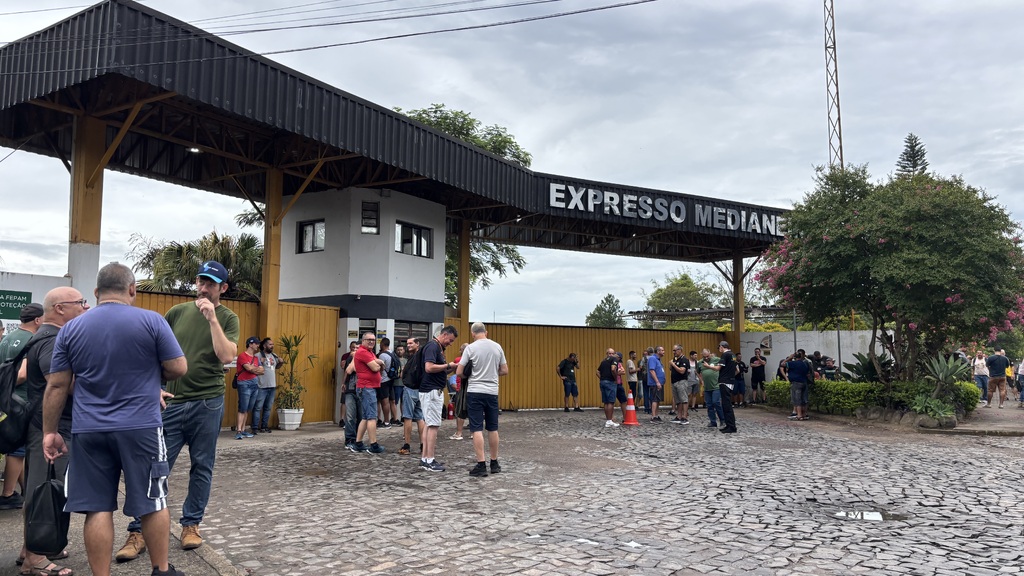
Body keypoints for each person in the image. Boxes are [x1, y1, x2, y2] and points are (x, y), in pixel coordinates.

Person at [42, 263, 188, 576]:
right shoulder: (152, 321)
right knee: (153, 500)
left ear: (95, 293)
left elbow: (56, 385)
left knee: (96, 507)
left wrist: (50, 432)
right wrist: (151, 377)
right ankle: (161, 570)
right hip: (141, 427)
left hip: (89, 429)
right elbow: (178, 367)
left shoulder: (70, 329)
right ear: (132, 289)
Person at [118, 260, 239, 560]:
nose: (203, 287)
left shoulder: (227, 317)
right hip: (171, 402)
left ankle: (191, 525)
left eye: (210, 283)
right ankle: (137, 530)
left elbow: (226, 355)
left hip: (207, 402)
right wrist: (154, 386)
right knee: (156, 466)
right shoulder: (176, 312)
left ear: (222, 288)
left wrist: (212, 320)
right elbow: (154, 354)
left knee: (202, 466)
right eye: (200, 281)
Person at [17, 288, 87, 575]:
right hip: (52, 427)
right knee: (46, 489)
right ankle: (35, 558)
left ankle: (31, 547)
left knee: (38, 486)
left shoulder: (43, 336)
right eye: (80, 303)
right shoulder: (54, 339)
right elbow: (58, 383)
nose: (84, 308)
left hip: (43, 424)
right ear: (60, 308)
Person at [0, 302, 44, 511]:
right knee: (17, 450)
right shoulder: (32, 340)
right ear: (37, 320)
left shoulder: (7, 338)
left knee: (16, 446)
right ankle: (7, 494)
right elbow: (24, 374)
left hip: (6, 400)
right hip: (23, 401)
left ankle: (25, 489)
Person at [457, 323, 508, 477]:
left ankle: (481, 464)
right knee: (493, 428)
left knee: (476, 428)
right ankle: (494, 463)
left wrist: (472, 375)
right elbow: (504, 370)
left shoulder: (470, 348)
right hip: (492, 392)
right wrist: (491, 373)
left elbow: (459, 372)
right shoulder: (497, 347)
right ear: (486, 332)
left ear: (473, 333)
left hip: (475, 391)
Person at [419, 325, 459, 472]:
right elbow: (429, 367)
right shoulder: (433, 346)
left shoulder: (436, 347)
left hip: (430, 391)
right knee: (433, 425)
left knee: (429, 424)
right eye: (450, 340)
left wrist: (450, 368)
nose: (451, 343)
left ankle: (425, 459)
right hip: (431, 391)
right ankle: (429, 459)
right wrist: (448, 365)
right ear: (444, 334)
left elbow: (437, 369)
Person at [354, 332, 386, 453]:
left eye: (373, 340)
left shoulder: (369, 352)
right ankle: (374, 445)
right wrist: (379, 363)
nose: (372, 342)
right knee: (372, 417)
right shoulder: (363, 352)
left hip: (368, 387)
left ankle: (358, 443)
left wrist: (378, 362)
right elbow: (375, 368)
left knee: (366, 417)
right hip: (366, 388)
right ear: (363, 341)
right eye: (369, 340)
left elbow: (378, 364)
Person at [398, 337, 424, 456]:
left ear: (417, 344)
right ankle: (423, 445)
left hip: (411, 389)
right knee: (419, 418)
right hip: (420, 390)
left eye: (411, 343)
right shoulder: (420, 356)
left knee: (408, 417)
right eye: (407, 343)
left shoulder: (416, 357)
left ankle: (407, 445)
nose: (408, 345)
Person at [252, 338, 283, 434]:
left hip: (272, 386)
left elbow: (276, 367)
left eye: (272, 344)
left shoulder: (274, 355)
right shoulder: (257, 355)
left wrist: (281, 362)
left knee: (268, 408)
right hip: (261, 386)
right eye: (270, 344)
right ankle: (255, 427)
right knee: (257, 407)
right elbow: (252, 369)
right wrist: (260, 362)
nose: (272, 346)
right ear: (264, 345)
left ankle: (264, 426)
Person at [234, 336, 263, 439]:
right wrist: (256, 369)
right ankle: (238, 431)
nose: (258, 345)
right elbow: (249, 368)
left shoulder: (256, 358)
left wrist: (254, 369)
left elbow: (262, 371)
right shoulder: (242, 356)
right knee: (242, 407)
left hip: (254, 383)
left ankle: (243, 429)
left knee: (248, 408)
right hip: (244, 383)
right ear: (250, 344)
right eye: (256, 343)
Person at [596, 348, 625, 428]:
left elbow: (597, 371)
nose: (612, 355)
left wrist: (602, 378)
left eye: (612, 353)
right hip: (610, 382)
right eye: (610, 353)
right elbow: (613, 369)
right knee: (611, 402)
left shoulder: (603, 361)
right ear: (607, 353)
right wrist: (615, 379)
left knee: (606, 402)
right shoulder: (614, 359)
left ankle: (608, 420)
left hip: (603, 382)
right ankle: (609, 421)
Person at [341, 348, 363, 452]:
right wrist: (343, 383)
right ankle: (349, 439)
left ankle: (358, 440)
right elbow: (347, 370)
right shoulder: (350, 358)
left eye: (358, 348)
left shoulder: (366, 358)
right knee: (350, 416)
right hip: (350, 390)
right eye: (354, 348)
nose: (355, 350)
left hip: (363, 390)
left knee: (361, 417)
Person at [716, 341, 739, 433]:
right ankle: (729, 425)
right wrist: (731, 376)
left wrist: (708, 366)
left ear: (722, 347)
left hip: (724, 382)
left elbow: (718, 368)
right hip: (731, 381)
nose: (719, 349)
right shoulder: (733, 355)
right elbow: (737, 369)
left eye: (719, 347)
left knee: (726, 405)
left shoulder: (725, 355)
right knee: (727, 404)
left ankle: (731, 426)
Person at [783, 350, 811, 421]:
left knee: (797, 399)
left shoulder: (793, 363)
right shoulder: (805, 363)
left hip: (796, 383)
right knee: (804, 399)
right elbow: (808, 373)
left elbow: (783, 364)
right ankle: (804, 414)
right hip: (804, 382)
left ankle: (799, 415)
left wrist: (789, 358)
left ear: (795, 357)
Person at [699, 349, 723, 428]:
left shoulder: (716, 359)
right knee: (709, 405)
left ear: (710, 354)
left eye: (707, 356)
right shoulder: (700, 362)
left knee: (716, 402)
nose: (706, 358)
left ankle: (722, 420)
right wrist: (701, 380)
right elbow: (697, 371)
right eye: (704, 356)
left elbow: (723, 365)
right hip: (707, 387)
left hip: (716, 386)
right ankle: (713, 422)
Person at [376, 337, 396, 428]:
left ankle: (386, 421)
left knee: (384, 401)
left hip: (383, 380)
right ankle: (388, 420)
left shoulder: (382, 355)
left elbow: (381, 368)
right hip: (391, 379)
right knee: (390, 400)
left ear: (382, 345)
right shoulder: (392, 353)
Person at [669, 345, 690, 425]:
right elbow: (671, 369)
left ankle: (685, 417)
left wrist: (673, 365)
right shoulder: (675, 359)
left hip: (681, 382)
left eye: (675, 350)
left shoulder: (684, 359)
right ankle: (679, 416)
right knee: (677, 400)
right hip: (674, 382)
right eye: (673, 351)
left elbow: (682, 371)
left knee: (684, 399)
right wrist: (671, 365)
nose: (674, 352)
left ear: (680, 350)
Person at [647, 346, 667, 423]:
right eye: (662, 350)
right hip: (655, 383)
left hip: (660, 383)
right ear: (658, 351)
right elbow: (652, 371)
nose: (663, 351)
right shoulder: (653, 359)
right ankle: (653, 416)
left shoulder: (659, 360)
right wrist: (657, 382)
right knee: (655, 399)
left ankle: (656, 415)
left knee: (658, 400)